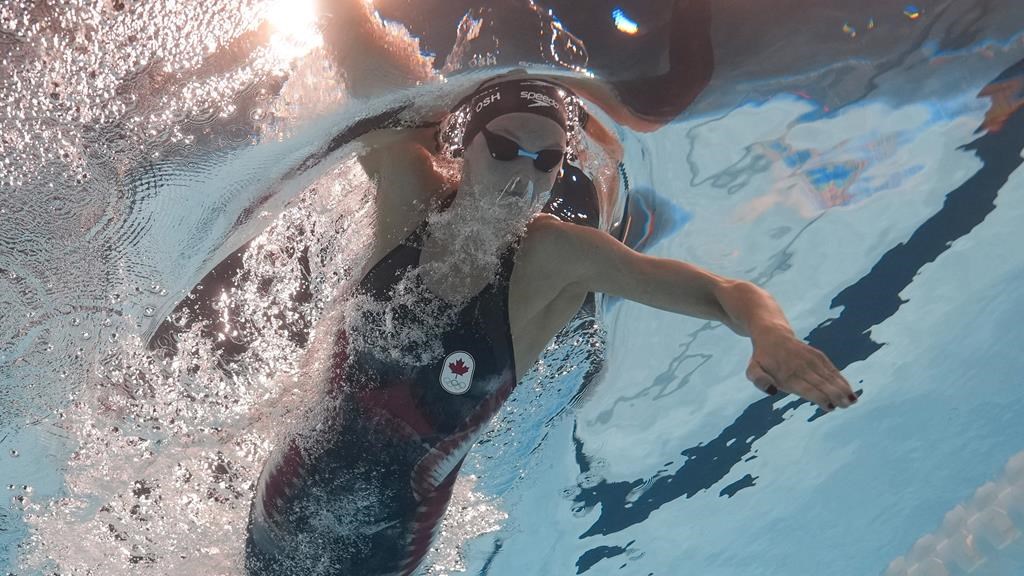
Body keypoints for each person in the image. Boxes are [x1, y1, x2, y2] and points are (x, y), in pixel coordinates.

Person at [241, 3, 856, 575]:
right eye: (507, 150)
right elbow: (355, 43)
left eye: (547, 161)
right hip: (273, 513)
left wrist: (770, 333)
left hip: (383, 556)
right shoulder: (408, 190)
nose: (525, 179)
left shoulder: (555, 258)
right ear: (466, 146)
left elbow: (723, 292)